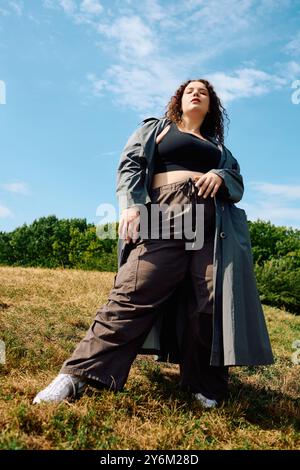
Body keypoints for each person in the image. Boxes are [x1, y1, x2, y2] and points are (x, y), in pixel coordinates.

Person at [33, 79, 274, 408]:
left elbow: (237, 182)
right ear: (179, 98)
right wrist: (131, 205)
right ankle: (77, 375)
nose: (196, 92)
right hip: (165, 213)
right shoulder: (157, 129)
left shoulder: (221, 150)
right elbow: (131, 163)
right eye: (189, 89)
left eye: (204, 91)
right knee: (135, 289)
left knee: (212, 299)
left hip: (212, 223)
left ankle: (204, 385)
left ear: (212, 105)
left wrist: (221, 176)